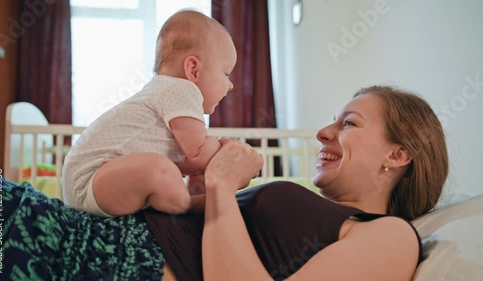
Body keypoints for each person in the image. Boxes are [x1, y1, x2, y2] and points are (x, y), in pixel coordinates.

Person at [145, 85, 448, 281]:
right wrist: (202, 197)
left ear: (398, 154)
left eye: (349, 123)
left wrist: (222, 186)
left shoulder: (392, 237)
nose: (323, 133)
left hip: (126, 259)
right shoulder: (326, 216)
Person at [61, 10, 237, 217]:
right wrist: (229, 148)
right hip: (92, 182)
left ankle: (186, 199)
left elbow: (186, 162)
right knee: (159, 168)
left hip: (89, 185)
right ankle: (187, 204)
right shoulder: (182, 89)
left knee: (168, 168)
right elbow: (198, 154)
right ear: (193, 69)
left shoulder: (162, 91)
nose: (231, 85)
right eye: (226, 73)